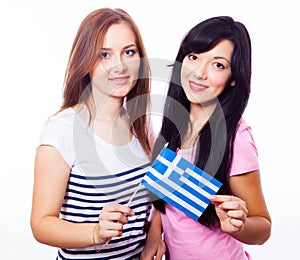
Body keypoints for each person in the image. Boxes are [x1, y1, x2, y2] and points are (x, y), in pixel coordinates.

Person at [141, 16, 271, 260]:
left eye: (218, 65)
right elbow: (165, 196)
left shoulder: (236, 138)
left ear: (234, 77)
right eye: (193, 57)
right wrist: (154, 235)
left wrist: (240, 225)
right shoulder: (174, 123)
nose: (198, 73)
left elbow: (263, 227)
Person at [30, 8, 155, 260]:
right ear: (86, 61)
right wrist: (96, 233)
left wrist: (153, 238)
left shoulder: (141, 124)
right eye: (104, 55)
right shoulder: (63, 130)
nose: (119, 66)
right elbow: (41, 224)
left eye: (128, 52)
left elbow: (155, 195)